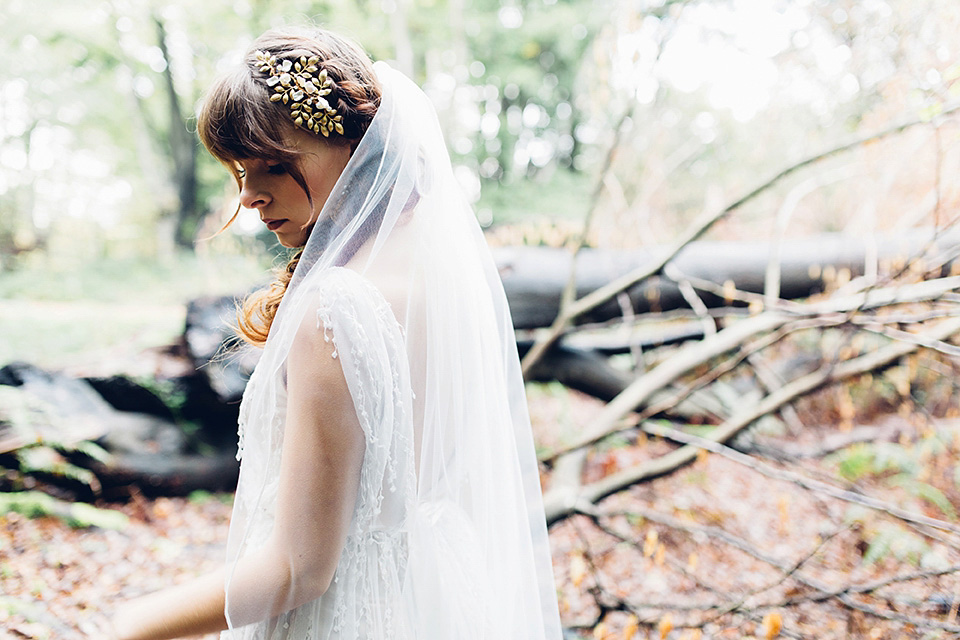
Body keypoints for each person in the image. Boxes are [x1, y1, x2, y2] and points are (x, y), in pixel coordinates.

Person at [110, 26, 562, 639]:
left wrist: (131, 625)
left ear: (357, 146)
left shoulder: (335, 310)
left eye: (273, 165)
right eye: (240, 171)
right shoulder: (440, 277)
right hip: (437, 595)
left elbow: (298, 569)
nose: (249, 197)